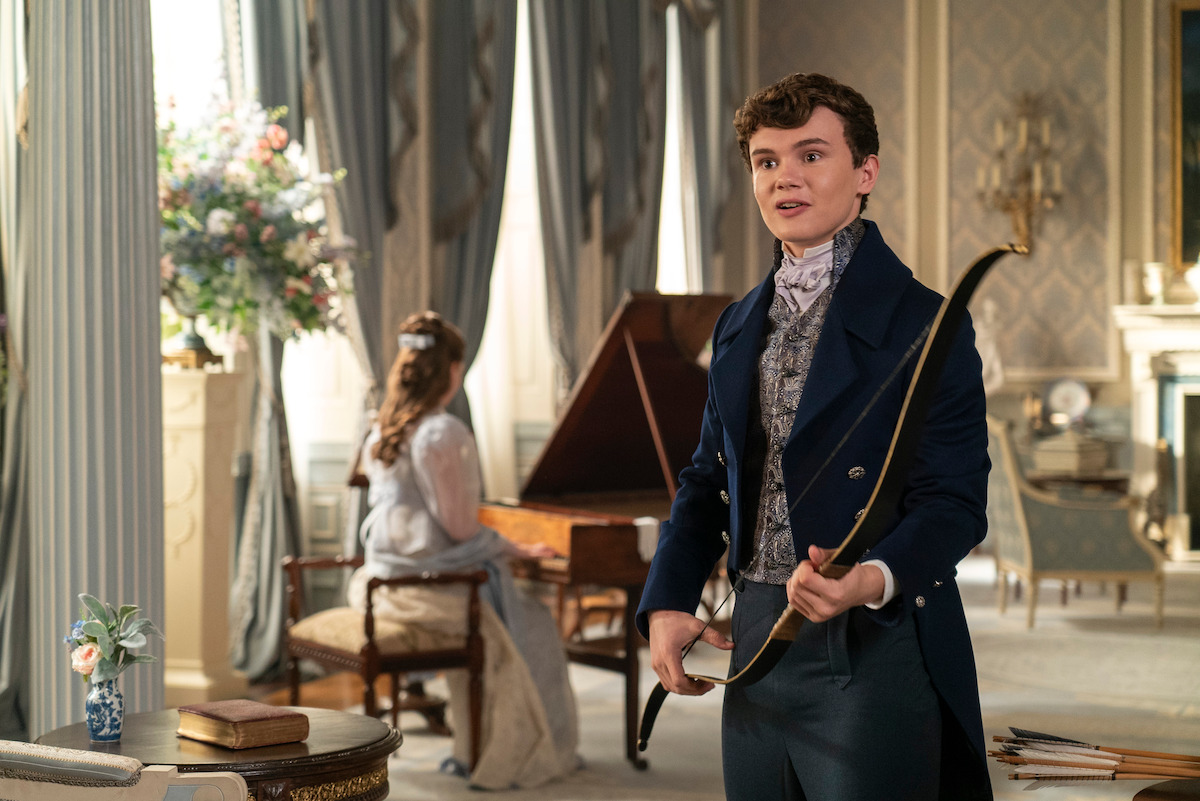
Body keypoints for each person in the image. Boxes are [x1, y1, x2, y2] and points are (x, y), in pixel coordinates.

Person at [635, 73, 993, 800]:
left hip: (872, 642)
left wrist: (867, 578)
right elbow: (708, 478)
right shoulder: (737, 322)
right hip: (758, 634)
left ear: (866, 172)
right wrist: (671, 598)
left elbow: (954, 502)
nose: (784, 178)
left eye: (811, 155)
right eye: (767, 162)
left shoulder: (927, 324)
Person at [348, 311, 579, 790]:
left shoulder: (383, 427)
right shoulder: (441, 432)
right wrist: (516, 549)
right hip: (423, 589)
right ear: (453, 370)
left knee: (511, 611)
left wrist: (503, 549)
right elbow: (458, 530)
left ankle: (465, 747)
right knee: (533, 621)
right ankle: (511, 751)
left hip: (380, 583)